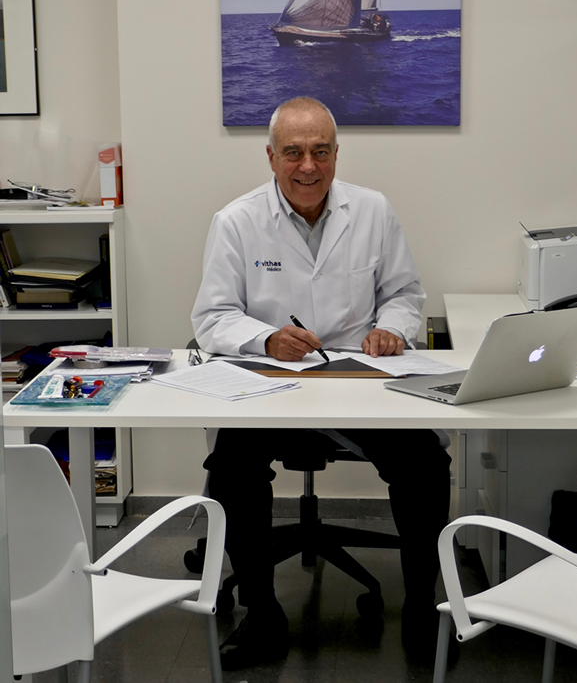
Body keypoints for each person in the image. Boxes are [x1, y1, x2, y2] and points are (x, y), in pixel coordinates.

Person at [191, 97, 452, 669]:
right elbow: (211, 317)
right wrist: (266, 339)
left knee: (425, 464)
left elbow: (404, 293)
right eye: (293, 152)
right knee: (232, 469)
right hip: (273, 390)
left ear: (337, 153)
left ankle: (422, 606)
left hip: (361, 386)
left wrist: (391, 329)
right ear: (271, 157)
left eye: (320, 151)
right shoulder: (236, 221)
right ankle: (263, 615)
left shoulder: (373, 210)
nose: (308, 166)